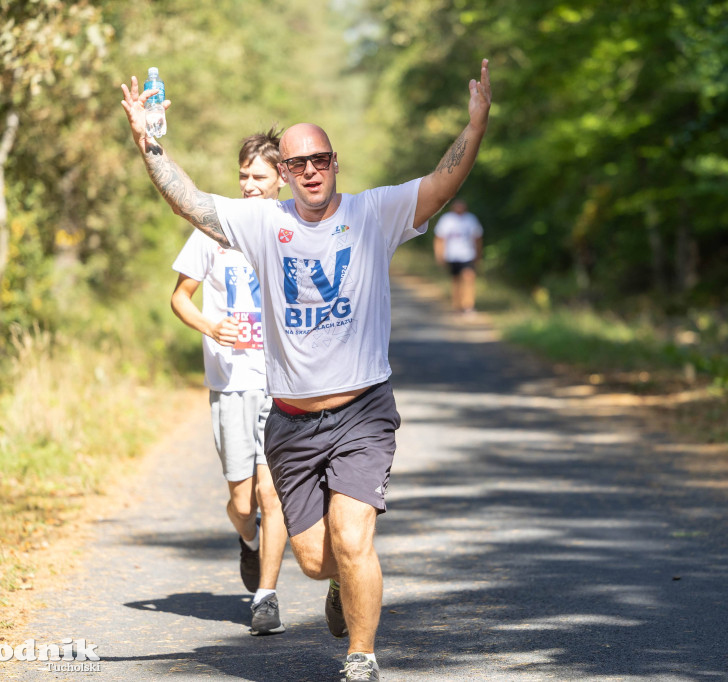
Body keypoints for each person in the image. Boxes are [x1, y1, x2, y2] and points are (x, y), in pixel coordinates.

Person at [121, 58, 492, 681]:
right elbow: (188, 202)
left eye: (322, 160)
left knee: (353, 540)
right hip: (290, 420)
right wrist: (147, 141)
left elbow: (440, 183)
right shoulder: (262, 222)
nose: (312, 171)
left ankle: (362, 657)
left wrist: (475, 124)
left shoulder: (373, 212)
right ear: (286, 173)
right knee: (319, 560)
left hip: (363, 410)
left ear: (334, 162)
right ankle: (336, 586)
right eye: (299, 164)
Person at [169, 128, 290, 636]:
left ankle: (266, 597)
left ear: (281, 178)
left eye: (258, 176)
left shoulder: (293, 226)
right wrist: (210, 325)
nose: (248, 185)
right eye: (243, 175)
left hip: (281, 380)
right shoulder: (212, 230)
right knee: (243, 503)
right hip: (230, 379)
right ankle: (248, 540)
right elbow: (180, 298)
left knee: (272, 492)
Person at [433, 198, 483, 314]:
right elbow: (440, 239)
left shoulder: (471, 219)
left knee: (469, 277)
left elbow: (477, 238)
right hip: (452, 255)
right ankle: (457, 304)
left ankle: (468, 305)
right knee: (456, 280)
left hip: (467, 254)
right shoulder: (447, 220)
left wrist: (478, 254)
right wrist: (439, 255)